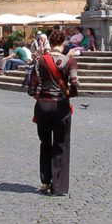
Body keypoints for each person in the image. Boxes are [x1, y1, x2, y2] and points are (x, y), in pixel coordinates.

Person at [27, 29, 79, 197]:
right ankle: (58, 186)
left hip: (43, 106)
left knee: (45, 143)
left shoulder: (41, 60)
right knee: (61, 145)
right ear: (64, 43)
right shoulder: (70, 62)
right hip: (61, 106)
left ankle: (45, 181)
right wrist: (70, 94)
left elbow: (32, 87)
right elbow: (75, 84)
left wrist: (40, 95)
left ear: (50, 42)